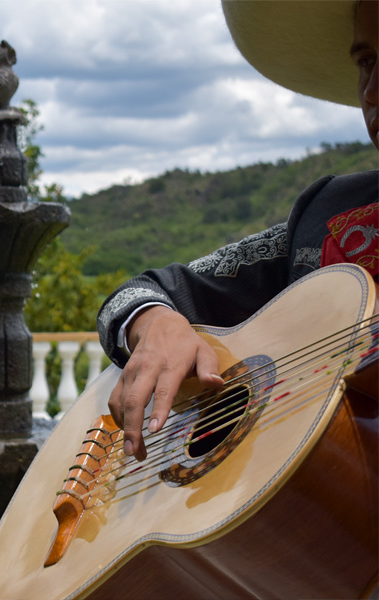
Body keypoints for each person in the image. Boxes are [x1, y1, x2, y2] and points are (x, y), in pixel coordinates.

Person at [97, 0, 379, 462]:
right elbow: (138, 293)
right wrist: (157, 324)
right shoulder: (327, 214)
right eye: (366, 62)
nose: (372, 92)